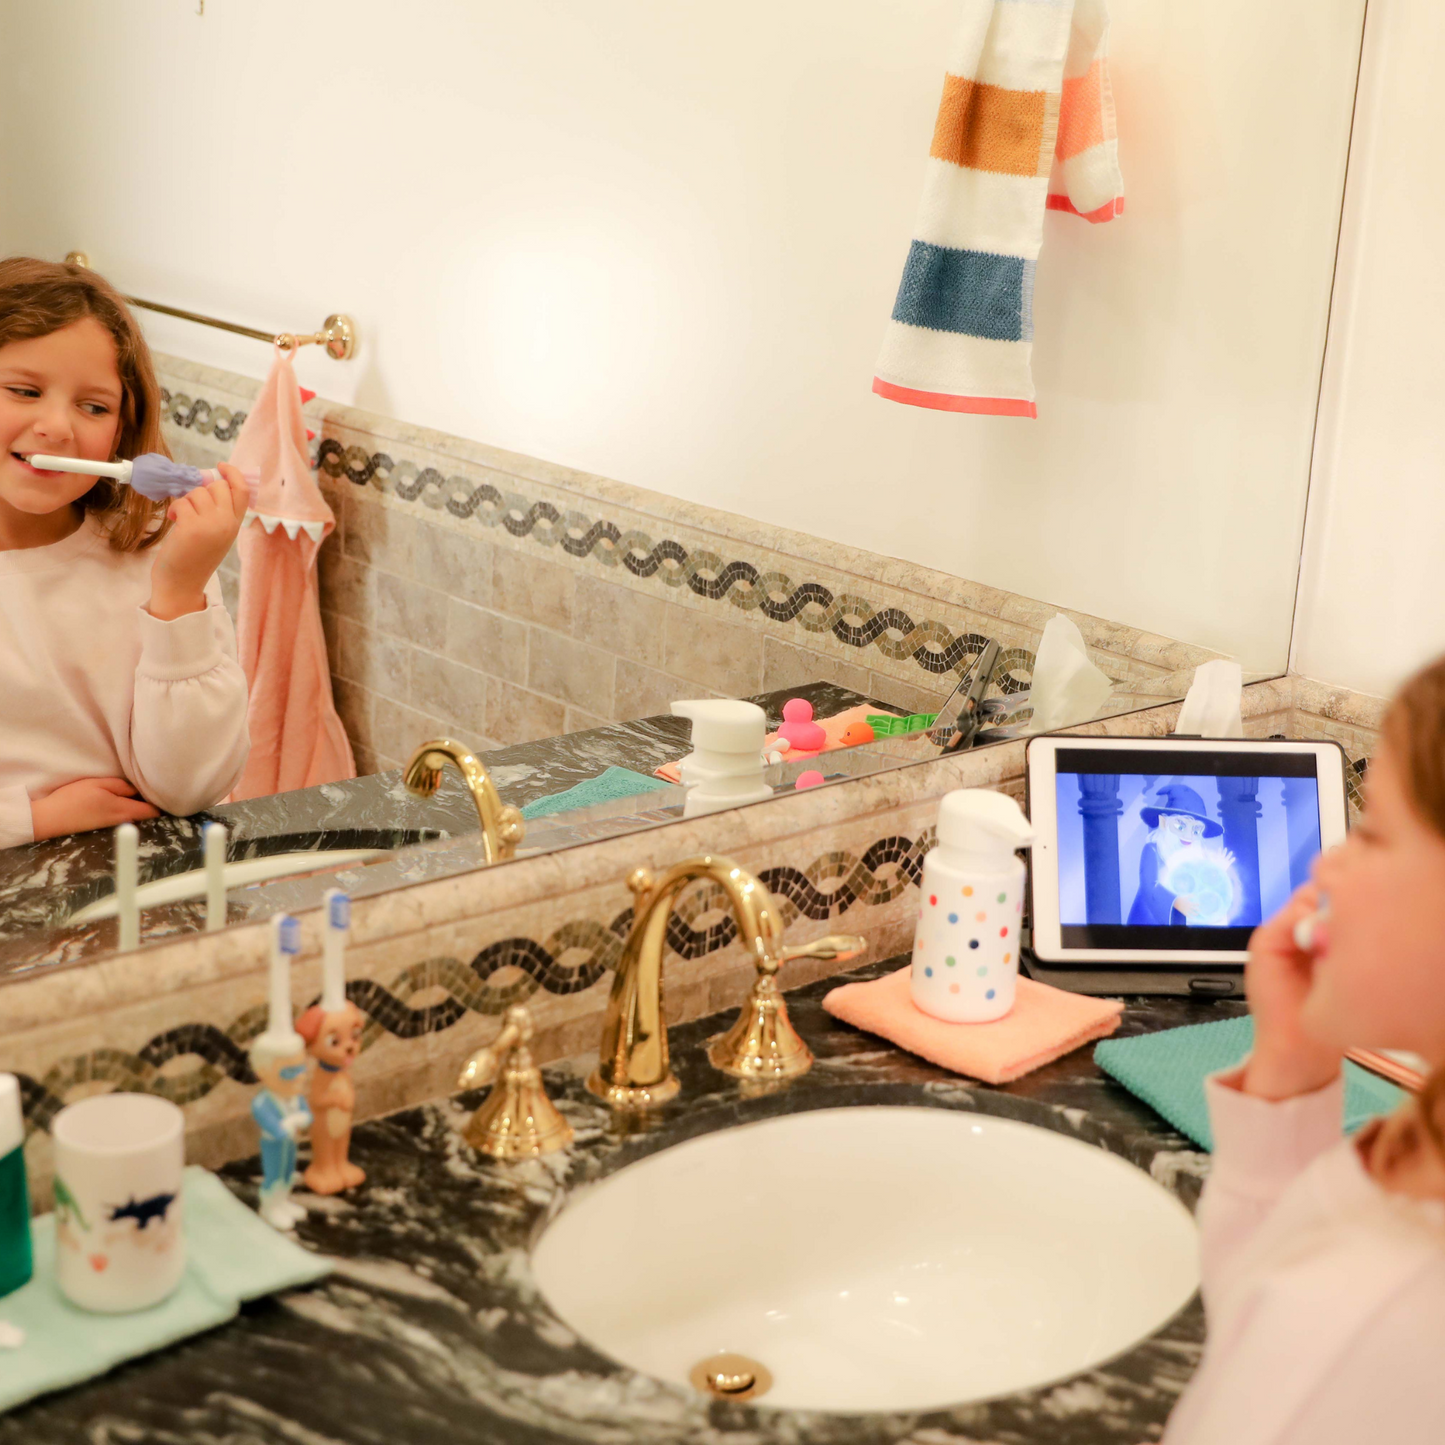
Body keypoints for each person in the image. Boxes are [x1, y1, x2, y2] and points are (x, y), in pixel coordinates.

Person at [1161, 657, 1445, 1444]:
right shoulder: (1417, 1152)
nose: (1326, 861)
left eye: (1376, 835)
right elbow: (1262, 1313)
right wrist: (1291, 1059)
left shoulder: (1392, 1317)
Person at [0, 256, 249, 849]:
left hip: (141, 893)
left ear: (121, 433)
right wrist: (30, 820)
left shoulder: (156, 553)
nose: (58, 427)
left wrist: (180, 595)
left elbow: (191, 790)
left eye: (94, 407)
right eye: (24, 390)